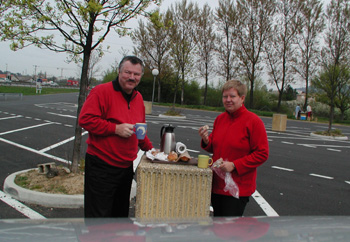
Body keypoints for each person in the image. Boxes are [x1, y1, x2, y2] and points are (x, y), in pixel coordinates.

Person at [79, 56, 153, 218]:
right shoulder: (101, 91)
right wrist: (115, 128)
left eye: (137, 74)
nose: (132, 77)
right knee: (98, 218)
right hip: (101, 167)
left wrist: (152, 150)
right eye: (127, 72)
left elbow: (140, 130)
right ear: (119, 72)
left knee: (119, 217)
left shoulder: (138, 98)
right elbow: (85, 119)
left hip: (126, 168)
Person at [198, 80, 269, 217]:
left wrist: (235, 165)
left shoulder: (253, 121)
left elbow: (262, 153)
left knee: (230, 232)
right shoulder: (220, 119)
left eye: (232, 96)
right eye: (225, 96)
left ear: (242, 98)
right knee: (218, 227)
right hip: (216, 185)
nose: (228, 100)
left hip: (238, 188)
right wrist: (207, 140)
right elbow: (216, 146)